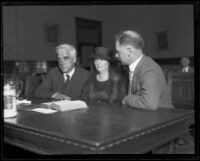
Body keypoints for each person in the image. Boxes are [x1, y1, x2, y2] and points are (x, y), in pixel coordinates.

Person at [115, 30, 174, 110]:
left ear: (129, 51)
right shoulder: (137, 65)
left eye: (118, 51)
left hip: (163, 117)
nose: (116, 55)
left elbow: (149, 103)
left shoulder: (148, 68)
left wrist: (127, 99)